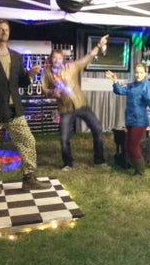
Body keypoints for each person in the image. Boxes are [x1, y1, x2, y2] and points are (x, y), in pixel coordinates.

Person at [0, 19, 51, 194]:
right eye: (0, 29)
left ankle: (29, 177)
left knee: (28, 140)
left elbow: (20, 82)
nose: (4, 32)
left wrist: (29, 74)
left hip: (13, 109)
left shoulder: (15, 56)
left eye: (6, 29)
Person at [41, 35, 110, 171]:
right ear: (50, 59)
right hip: (65, 109)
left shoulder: (71, 67)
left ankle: (99, 160)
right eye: (54, 58)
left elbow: (87, 58)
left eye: (59, 58)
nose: (56, 60)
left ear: (63, 59)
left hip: (81, 104)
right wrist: (51, 92)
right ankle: (68, 163)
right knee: (64, 138)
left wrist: (98, 46)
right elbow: (44, 89)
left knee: (97, 129)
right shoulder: (47, 73)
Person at [105, 63, 150, 176]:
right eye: (137, 72)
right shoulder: (132, 85)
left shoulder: (146, 85)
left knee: (133, 146)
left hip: (140, 120)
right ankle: (137, 168)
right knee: (127, 146)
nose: (138, 74)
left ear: (145, 74)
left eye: (141, 72)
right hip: (130, 119)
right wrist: (115, 81)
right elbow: (119, 91)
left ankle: (140, 171)